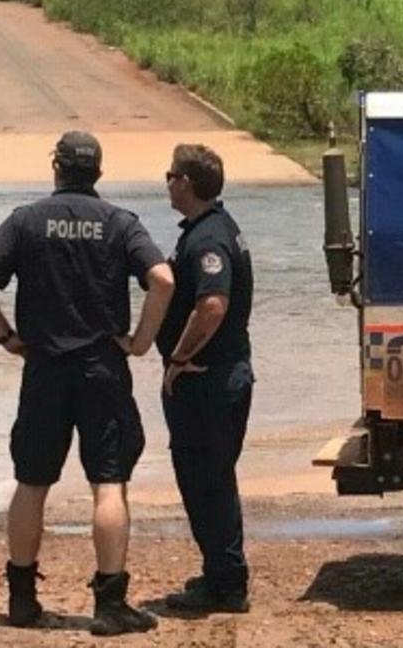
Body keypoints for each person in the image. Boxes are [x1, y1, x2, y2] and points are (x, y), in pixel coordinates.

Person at [0, 131, 173, 636]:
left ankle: (22, 599)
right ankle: (110, 604)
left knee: (32, 482)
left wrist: (5, 337)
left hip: (44, 368)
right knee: (108, 483)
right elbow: (163, 279)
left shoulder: (26, 221)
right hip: (101, 367)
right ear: (98, 172)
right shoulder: (120, 223)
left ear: (55, 166)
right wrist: (142, 341)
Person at [157, 144, 254, 613]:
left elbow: (212, 306)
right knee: (213, 478)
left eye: (170, 175)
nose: (167, 182)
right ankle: (222, 573)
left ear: (187, 184)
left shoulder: (208, 240)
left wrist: (177, 357)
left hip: (207, 380)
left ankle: (227, 585)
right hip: (223, 375)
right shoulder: (215, 228)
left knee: (205, 480)